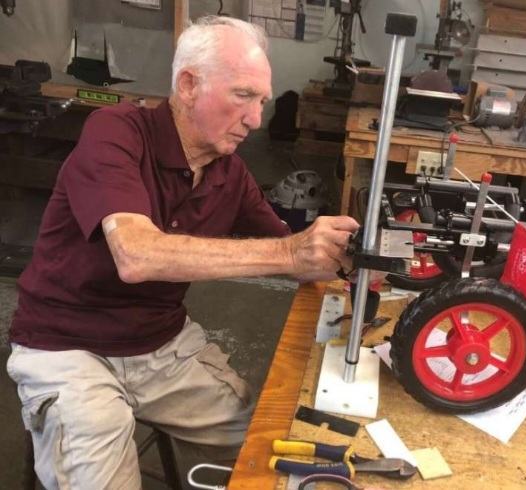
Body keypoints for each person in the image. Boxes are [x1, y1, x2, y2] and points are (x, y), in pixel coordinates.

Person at [6, 16, 359, 490]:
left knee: (274, 440)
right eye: (243, 96)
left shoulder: (227, 172)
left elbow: (296, 255)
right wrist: (291, 252)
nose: (256, 120)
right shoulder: (116, 131)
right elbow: (137, 256)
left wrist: (355, 258)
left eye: (261, 102)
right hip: (68, 349)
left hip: (160, 348)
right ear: (190, 85)